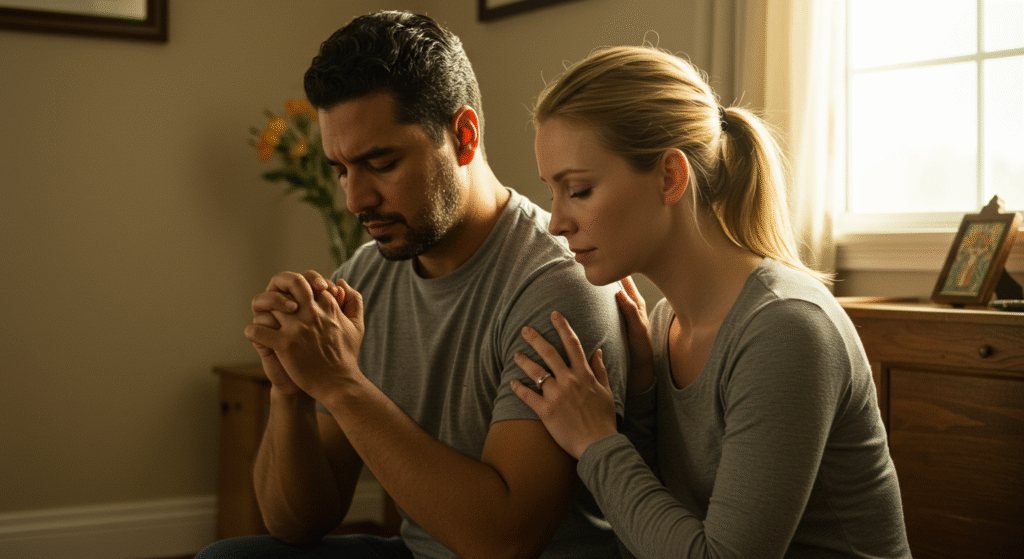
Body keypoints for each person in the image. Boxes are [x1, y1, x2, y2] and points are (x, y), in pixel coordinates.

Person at [195, 11, 628, 559]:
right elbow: (294, 522)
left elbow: (505, 541)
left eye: (380, 163)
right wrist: (291, 391)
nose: (356, 200)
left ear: (463, 136)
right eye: (341, 170)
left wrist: (341, 384)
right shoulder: (364, 276)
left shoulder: (556, 287)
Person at [510, 46, 912, 558]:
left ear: (670, 177)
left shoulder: (786, 328)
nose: (557, 222)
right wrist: (640, 397)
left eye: (579, 190)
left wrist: (596, 442)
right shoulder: (664, 324)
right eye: (552, 193)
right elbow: (654, 529)